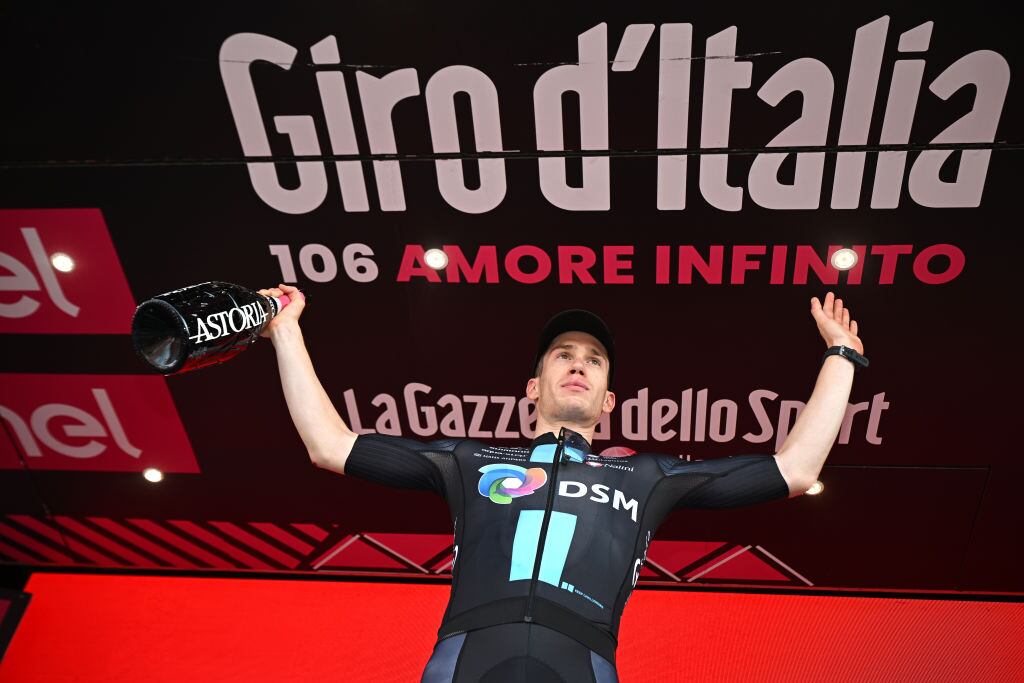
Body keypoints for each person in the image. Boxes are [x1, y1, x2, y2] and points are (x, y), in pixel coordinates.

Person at [258, 284, 866, 682]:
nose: (578, 363)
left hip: (581, 662)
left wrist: (842, 357)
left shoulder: (648, 475)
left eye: (593, 360)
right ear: (533, 386)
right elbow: (331, 446)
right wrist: (286, 331)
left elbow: (795, 468)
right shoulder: (468, 461)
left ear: (608, 400)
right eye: (563, 354)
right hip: (466, 659)